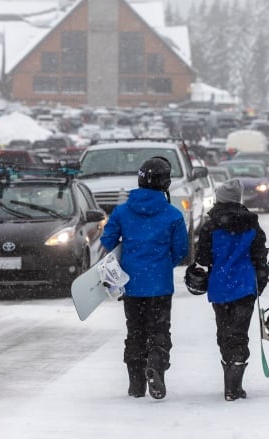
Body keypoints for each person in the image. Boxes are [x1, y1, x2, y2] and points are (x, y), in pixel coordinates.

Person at [100, 156, 189, 400]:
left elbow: (107, 241)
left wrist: (129, 254)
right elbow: (181, 250)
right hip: (160, 284)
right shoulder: (172, 214)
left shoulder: (122, 212)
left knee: (135, 331)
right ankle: (156, 365)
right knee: (159, 329)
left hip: (131, 284)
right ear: (165, 183)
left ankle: (136, 383)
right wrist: (162, 265)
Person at [192, 179, 269, 401]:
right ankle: (234, 383)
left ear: (220, 199)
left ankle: (230, 376)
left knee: (224, 333)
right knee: (239, 333)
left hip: (220, 287)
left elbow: (203, 258)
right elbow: (259, 257)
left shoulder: (210, 226)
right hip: (245, 286)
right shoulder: (252, 224)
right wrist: (260, 283)